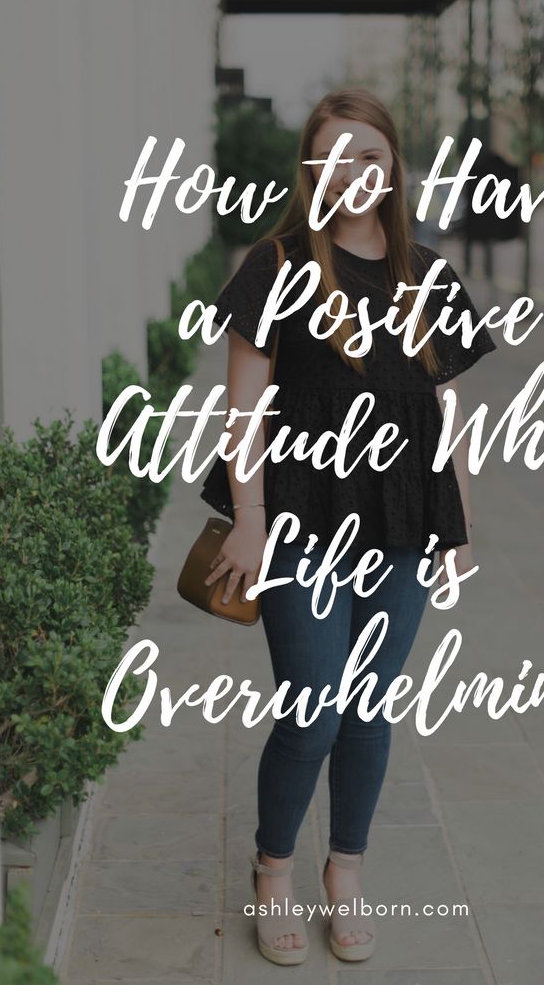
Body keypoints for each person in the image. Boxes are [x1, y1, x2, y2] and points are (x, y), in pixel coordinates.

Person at [201, 88, 496, 966]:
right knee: (313, 710)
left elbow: (444, 416)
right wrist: (246, 524)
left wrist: (459, 532)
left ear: (393, 165)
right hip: (297, 524)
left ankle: (345, 873)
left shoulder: (426, 274)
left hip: (403, 527)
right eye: (336, 154)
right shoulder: (276, 263)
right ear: (311, 168)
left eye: (370, 154)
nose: (354, 172)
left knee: (369, 710)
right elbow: (242, 413)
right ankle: (273, 870)